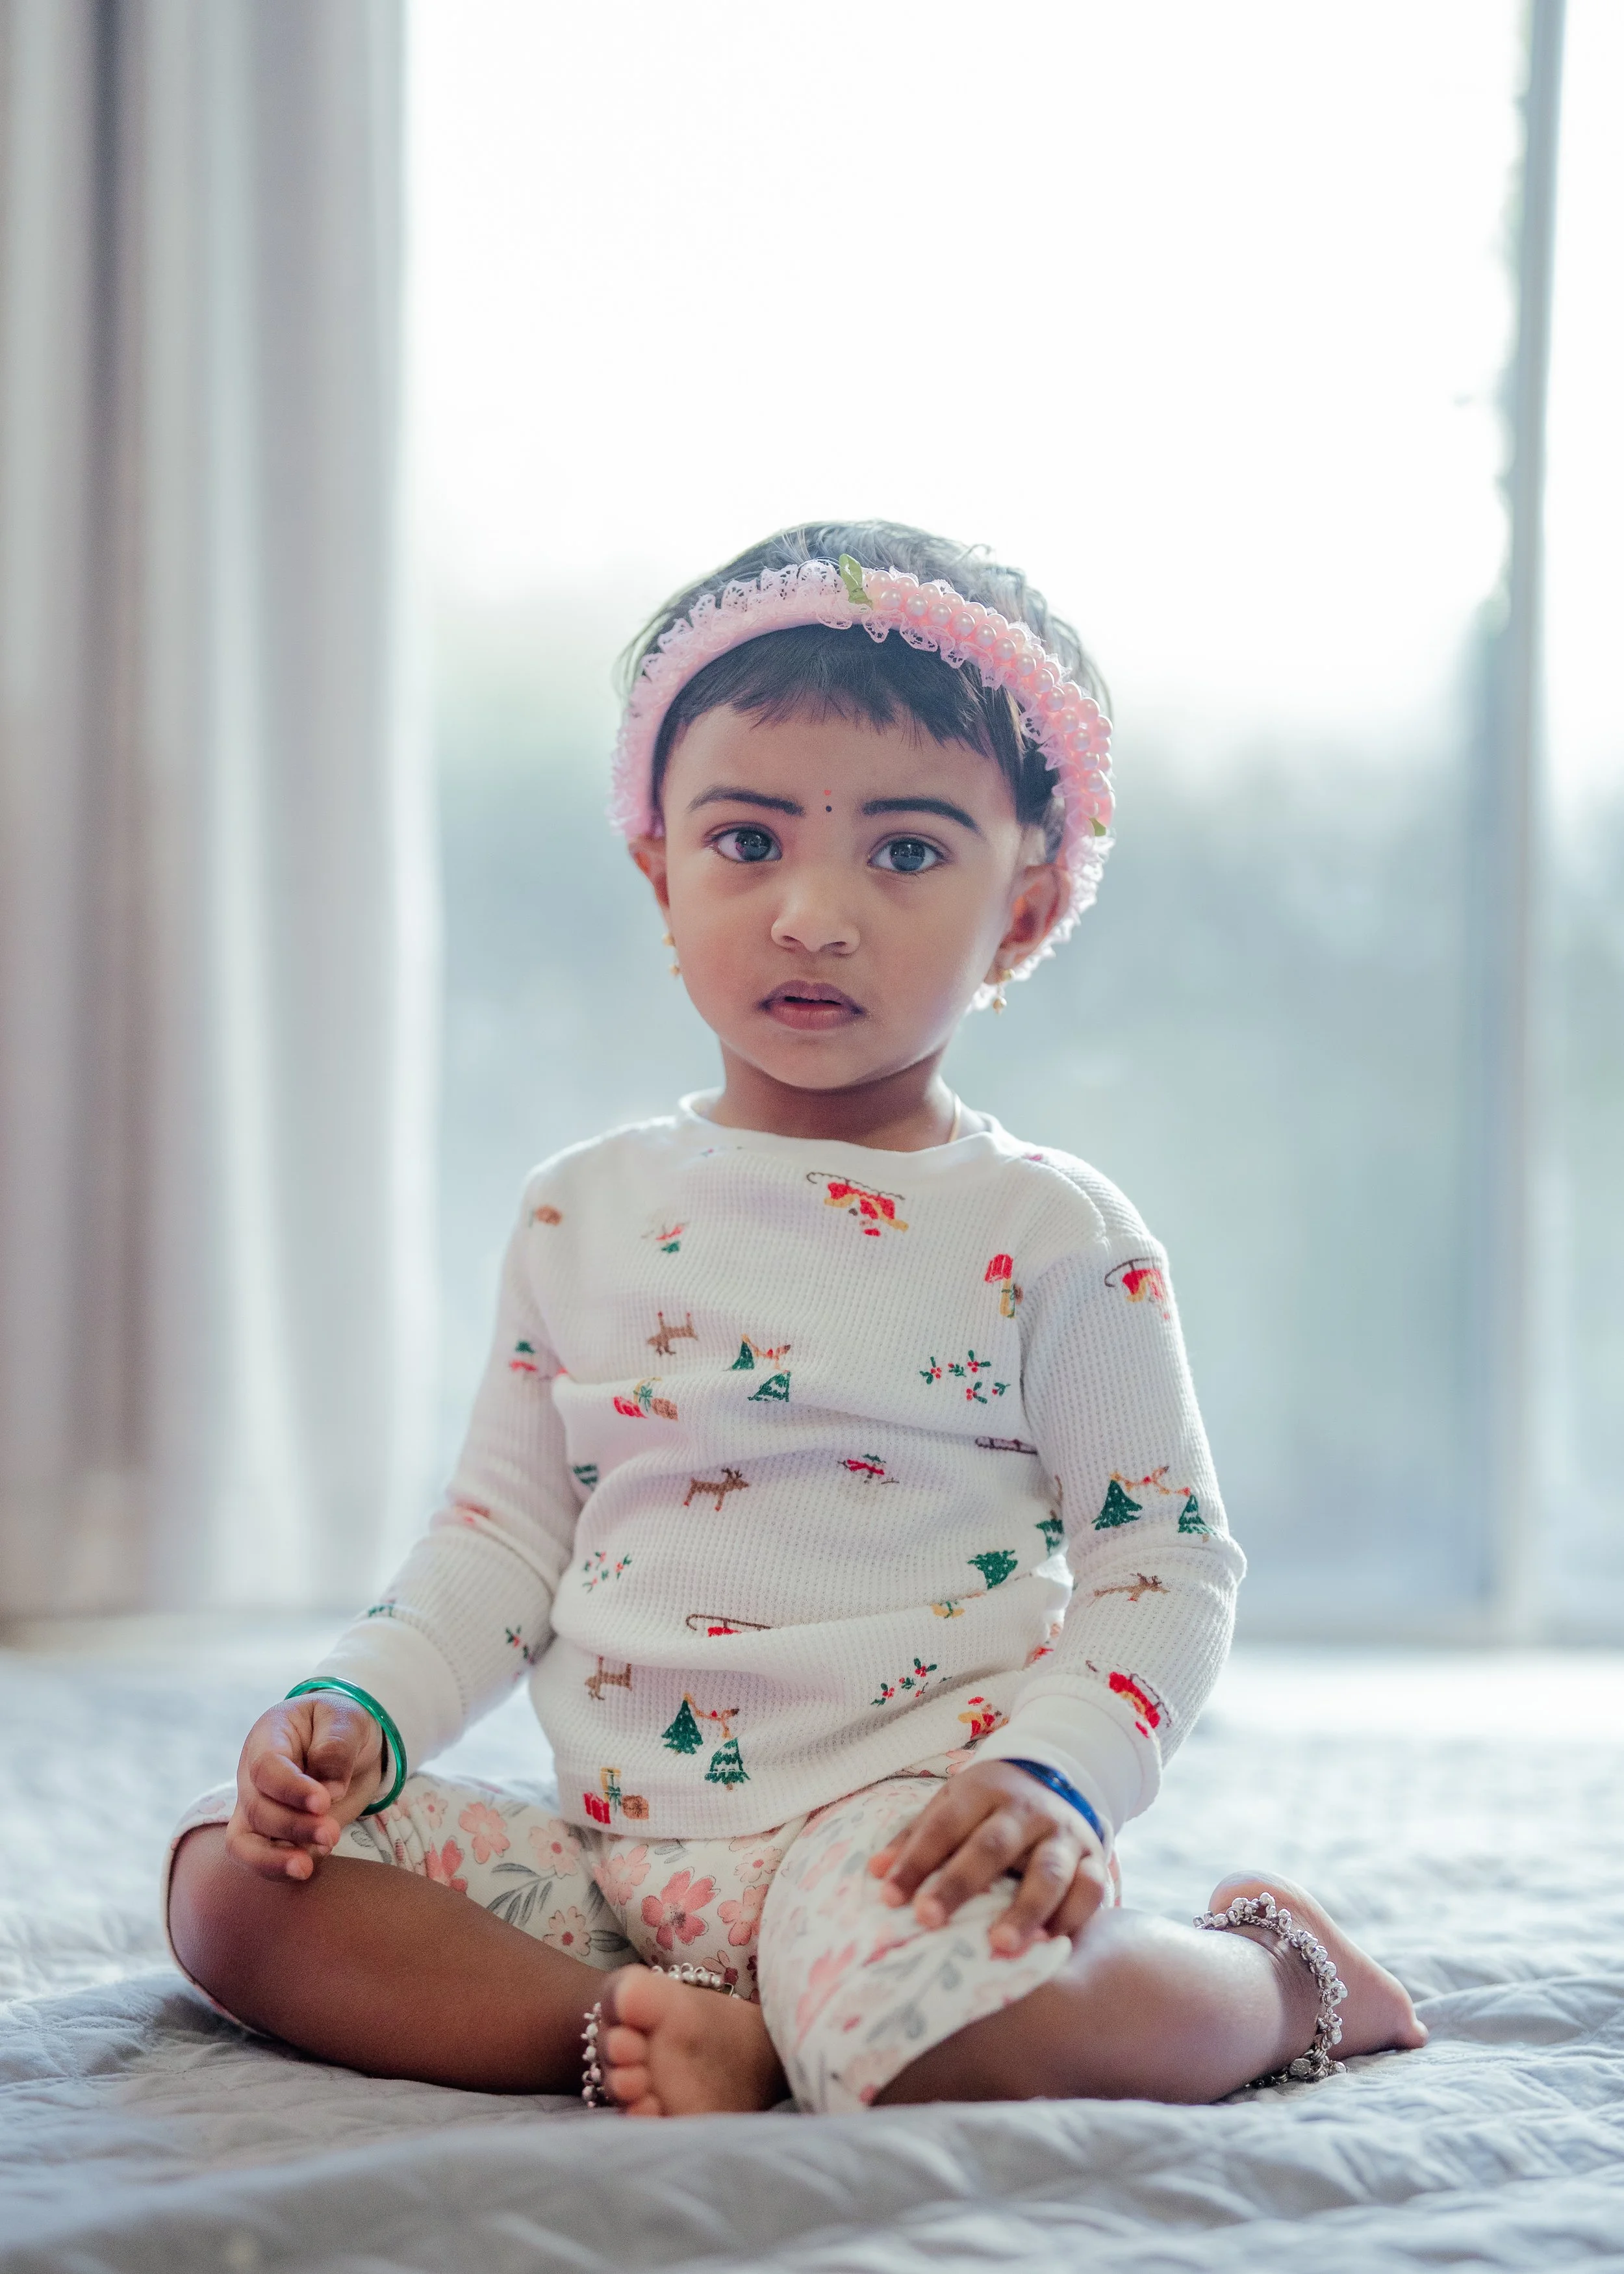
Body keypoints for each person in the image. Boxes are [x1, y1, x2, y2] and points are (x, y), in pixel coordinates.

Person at [167, 521, 1426, 2116]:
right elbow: (499, 1540)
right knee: (233, 1880)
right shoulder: (577, 1211)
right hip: (616, 1855)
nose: (812, 914)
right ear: (660, 869)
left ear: (1024, 909)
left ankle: (1274, 1978)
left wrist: (1053, 1774)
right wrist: (361, 1706)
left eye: (904, 853)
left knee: (938, 2028)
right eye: (748, 840)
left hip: (899, 1840)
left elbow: (1159, 1563)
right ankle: (641, 2022)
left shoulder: (1052, 1236)